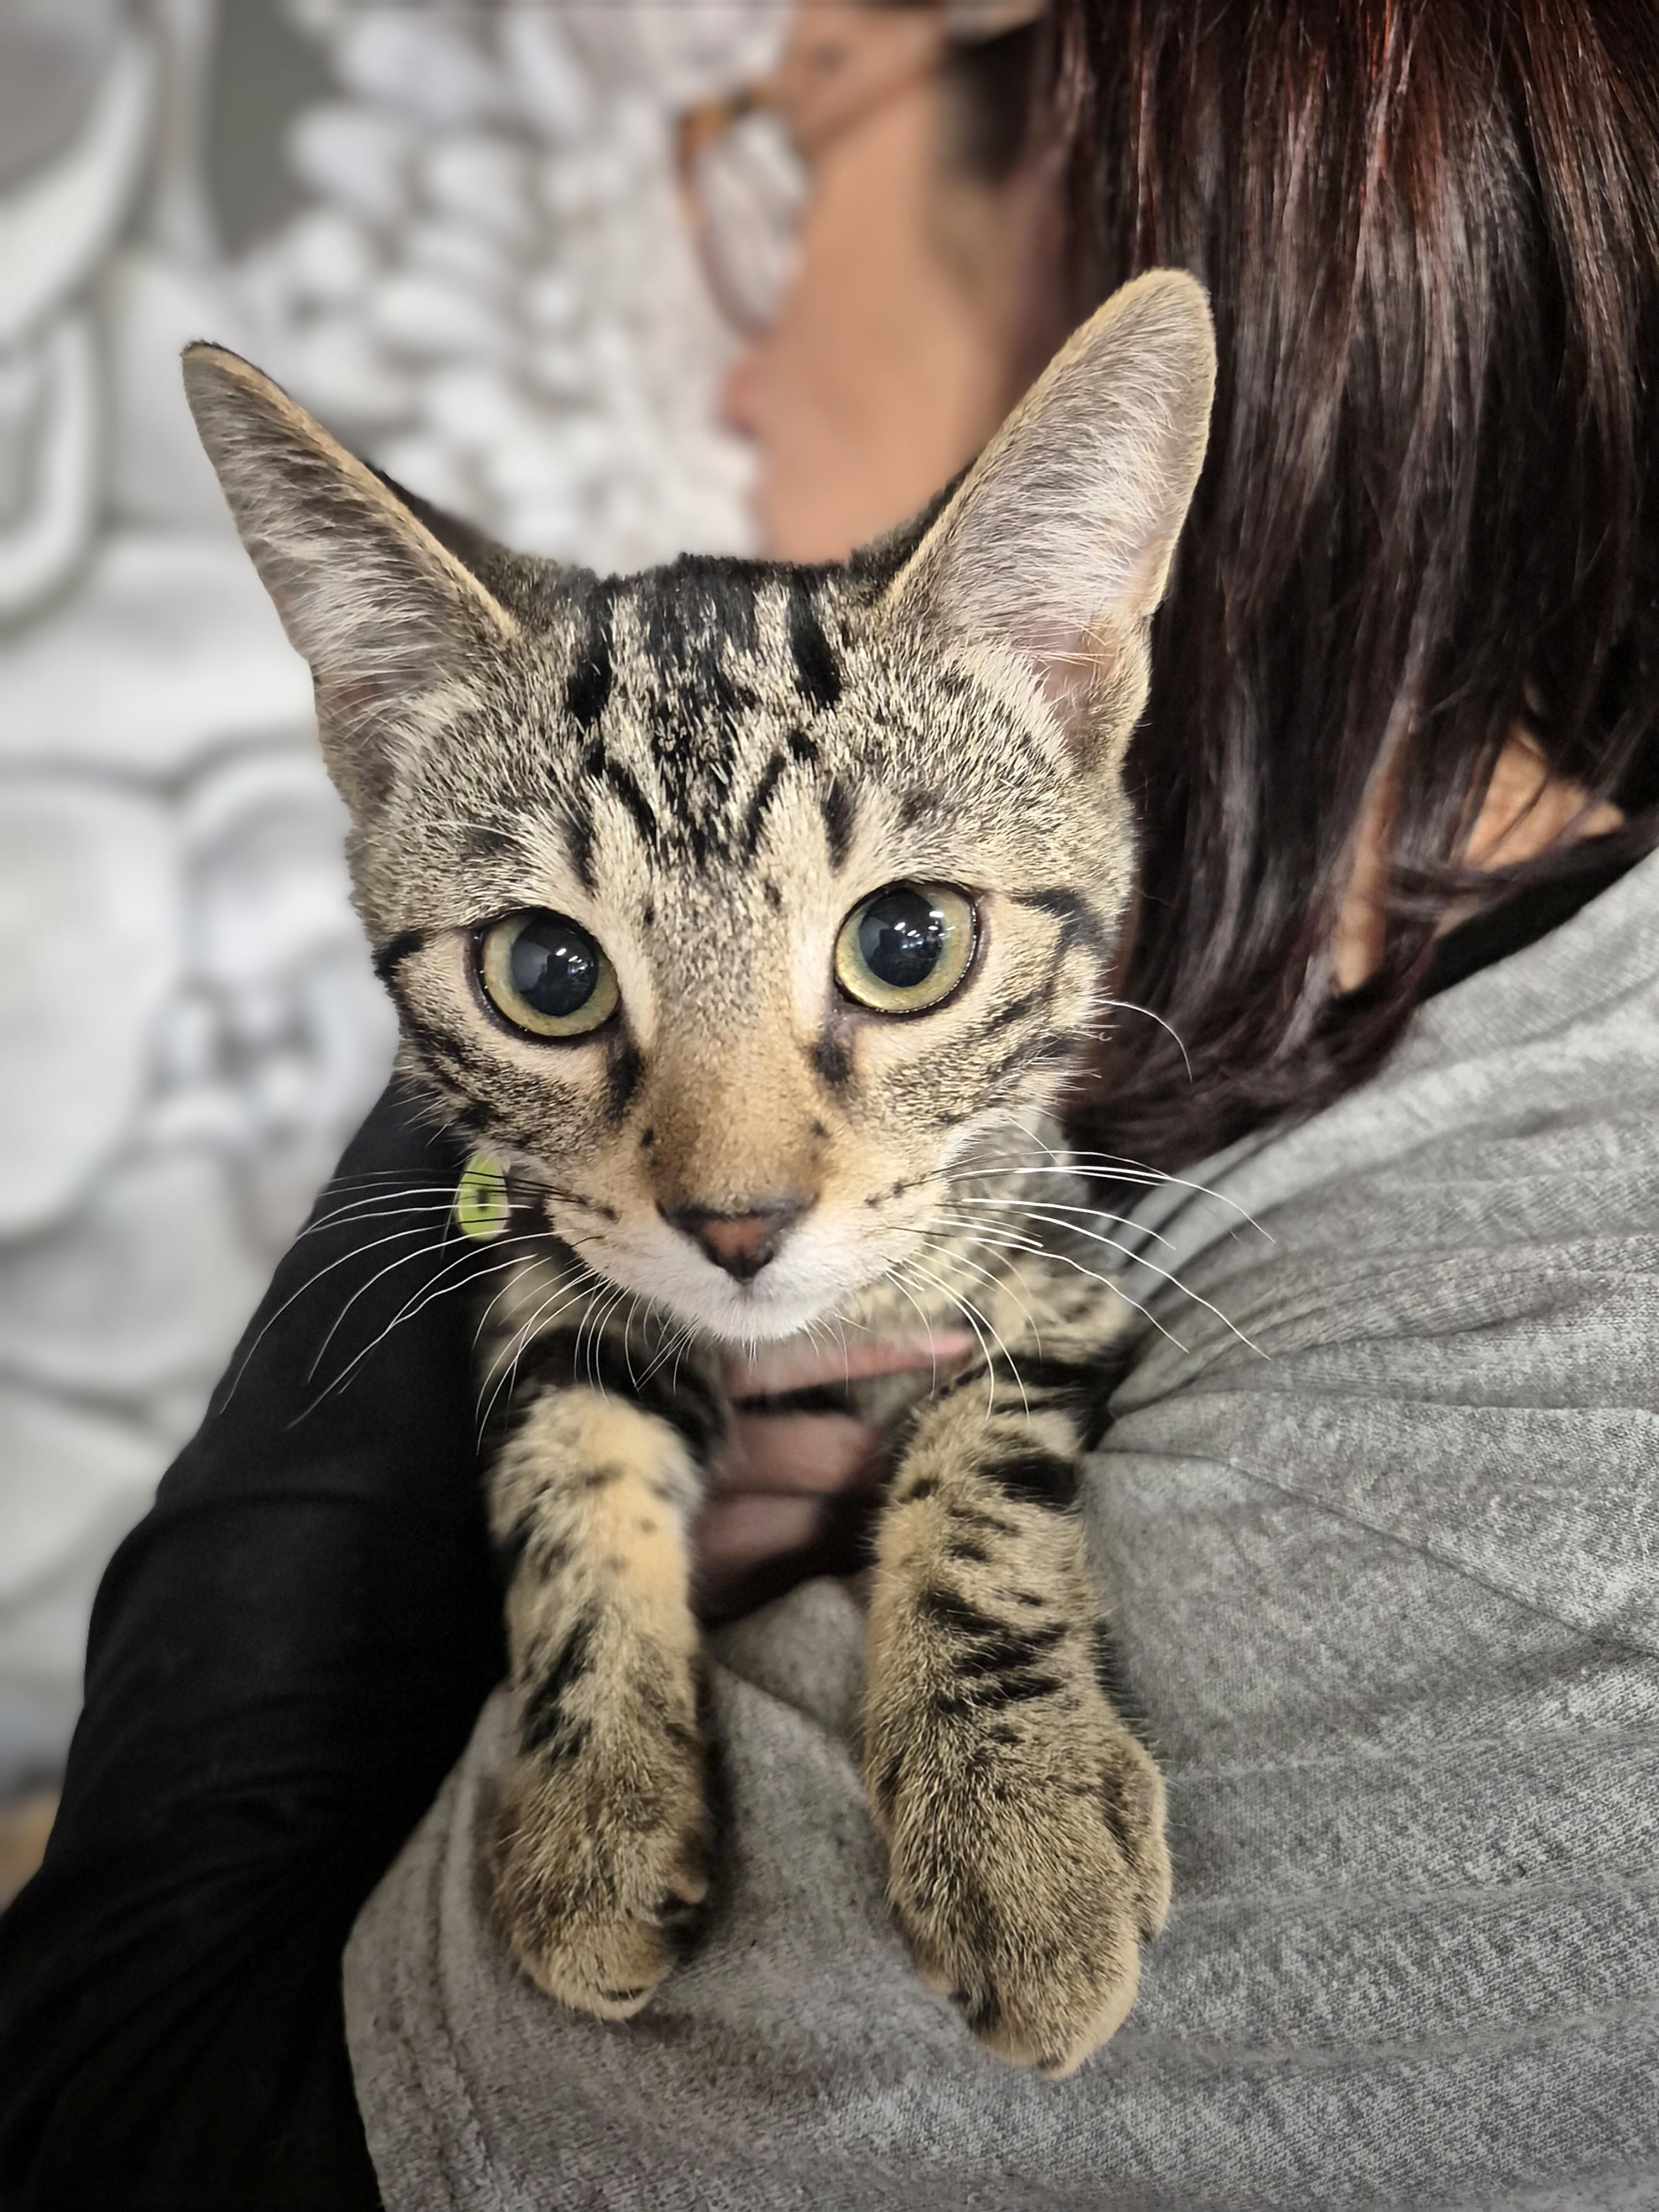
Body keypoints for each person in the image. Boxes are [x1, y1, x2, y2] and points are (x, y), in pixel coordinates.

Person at [2, 1, 1656, 2206]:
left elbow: (113, 2114)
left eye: (782, 164)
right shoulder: (1221, 984)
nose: (740, 1180)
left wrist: (532, 1039)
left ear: (1112, 183)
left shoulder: (1535, 1418)